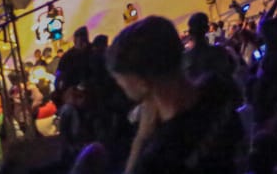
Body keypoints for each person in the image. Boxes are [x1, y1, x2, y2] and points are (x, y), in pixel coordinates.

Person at [105, 16, 245, 174]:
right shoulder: (219, 88)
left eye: (120, 79)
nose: (119, 84)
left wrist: (140, 139)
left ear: (141, 82)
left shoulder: (159, 156)